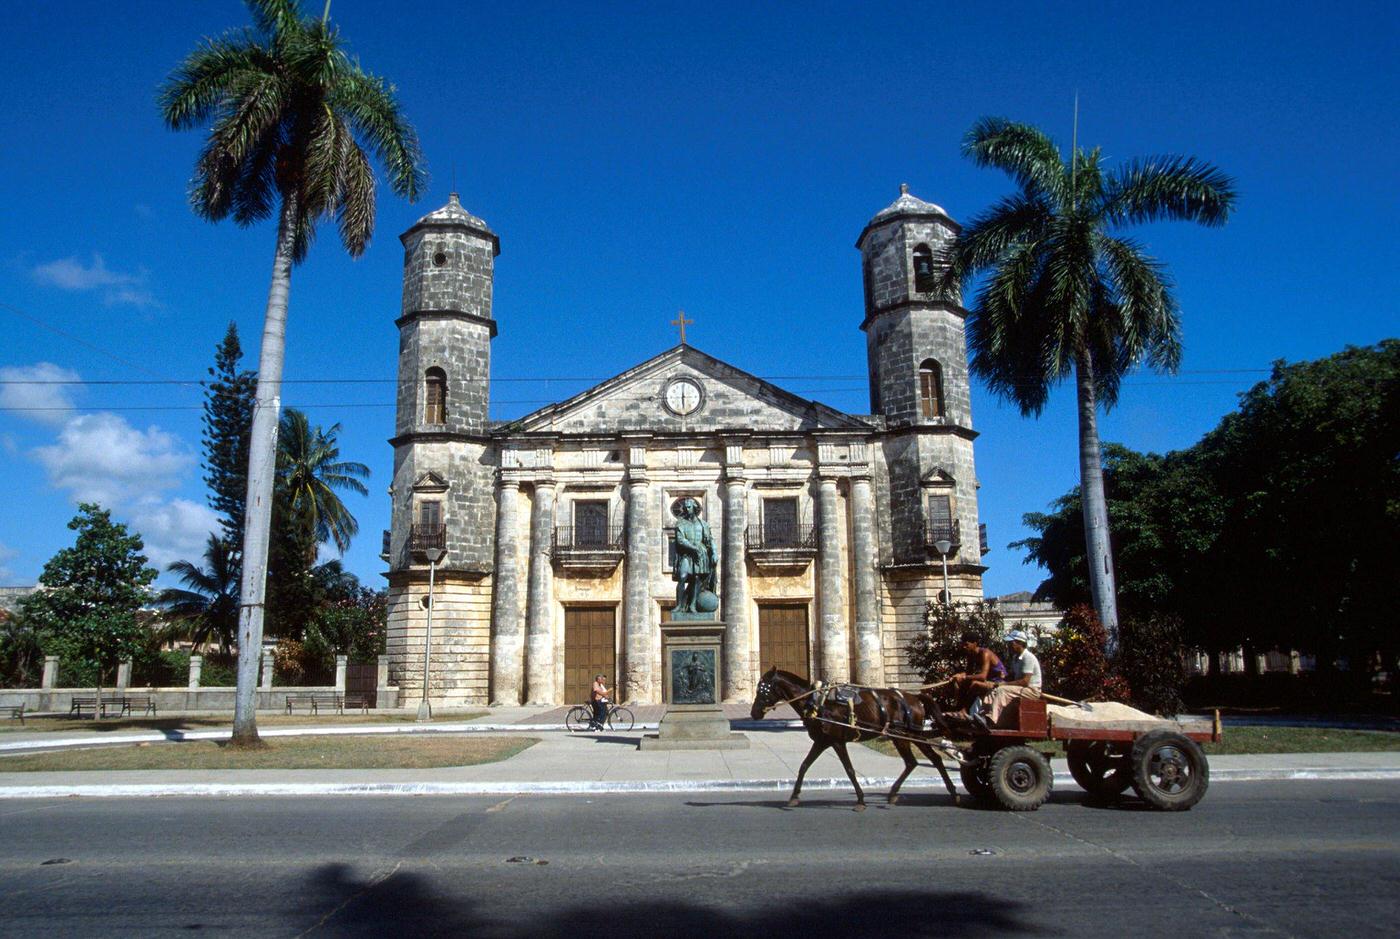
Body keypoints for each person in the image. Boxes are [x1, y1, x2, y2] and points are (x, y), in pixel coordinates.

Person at [948, 631, 1008, 727]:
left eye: (966, 644)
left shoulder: (985, 653)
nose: (964, 646)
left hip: (998, 683)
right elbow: (968, 673)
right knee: (962, 684)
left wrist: (964, 677)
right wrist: (959, 676)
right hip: (988, 682)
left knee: (975, 684)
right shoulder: (971, 655)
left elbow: (982, 676)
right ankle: (958, 710)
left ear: (975, 643)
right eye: (963, 644)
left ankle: (964, 711)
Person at [984, 629, 1042, 726]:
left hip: (1031, 691)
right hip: (1022, 689)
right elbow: (1012, 676)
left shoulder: (1028, 657)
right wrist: (998, 680)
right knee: (992, 690)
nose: (1009, 645)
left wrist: (1003, 684)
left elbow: (1025, 682)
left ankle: (992, 720)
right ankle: (984, 715)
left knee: (1001, 691)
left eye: (1011, 643)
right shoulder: (1015, 658)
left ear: (1019, 643)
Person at [671, 496, 716, 613]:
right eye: (685, 507)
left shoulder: (703, 524)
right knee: (682, 577)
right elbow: (680, 539)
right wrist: (693, 548)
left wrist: (714, 553)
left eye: (689, 507)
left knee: (696, 579)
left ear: (694, 508)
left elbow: (710, 540)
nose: (687, 509)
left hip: (701, 555)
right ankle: (680, 605)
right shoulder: (680, 523)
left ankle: (692, 605)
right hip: (687, 554)